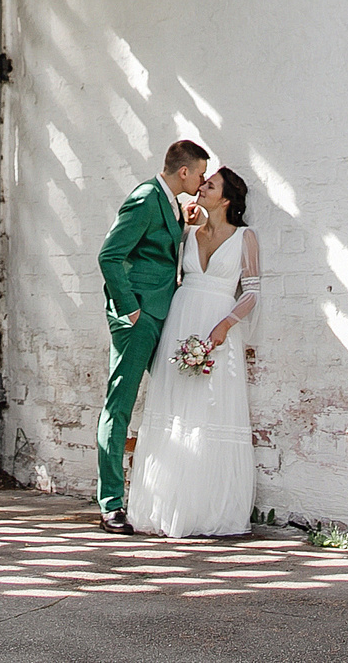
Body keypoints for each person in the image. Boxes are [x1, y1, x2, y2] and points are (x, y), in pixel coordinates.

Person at [126, 166, 260, 538]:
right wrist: (186, 224)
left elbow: (252, 292)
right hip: (181, 322)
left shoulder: (245, 237)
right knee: (174, 406)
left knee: (210, 408)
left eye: (210, 185)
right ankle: (167, 503)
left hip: (217, 325)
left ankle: (205, 509)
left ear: (227, 199)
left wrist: (225, 325)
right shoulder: (189, 233)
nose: (202, 188)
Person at [95, 138, 208, 533]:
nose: (202, 181)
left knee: (174, 398)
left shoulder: (169, 202)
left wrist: (184, 224)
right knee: (120, 406)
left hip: (163, 312)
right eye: (200, 174)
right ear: (184, 171)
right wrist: (130, 309)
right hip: (139, 317)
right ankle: (111, 505)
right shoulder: (145, 198)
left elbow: (155, 250)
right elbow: (109, 255)